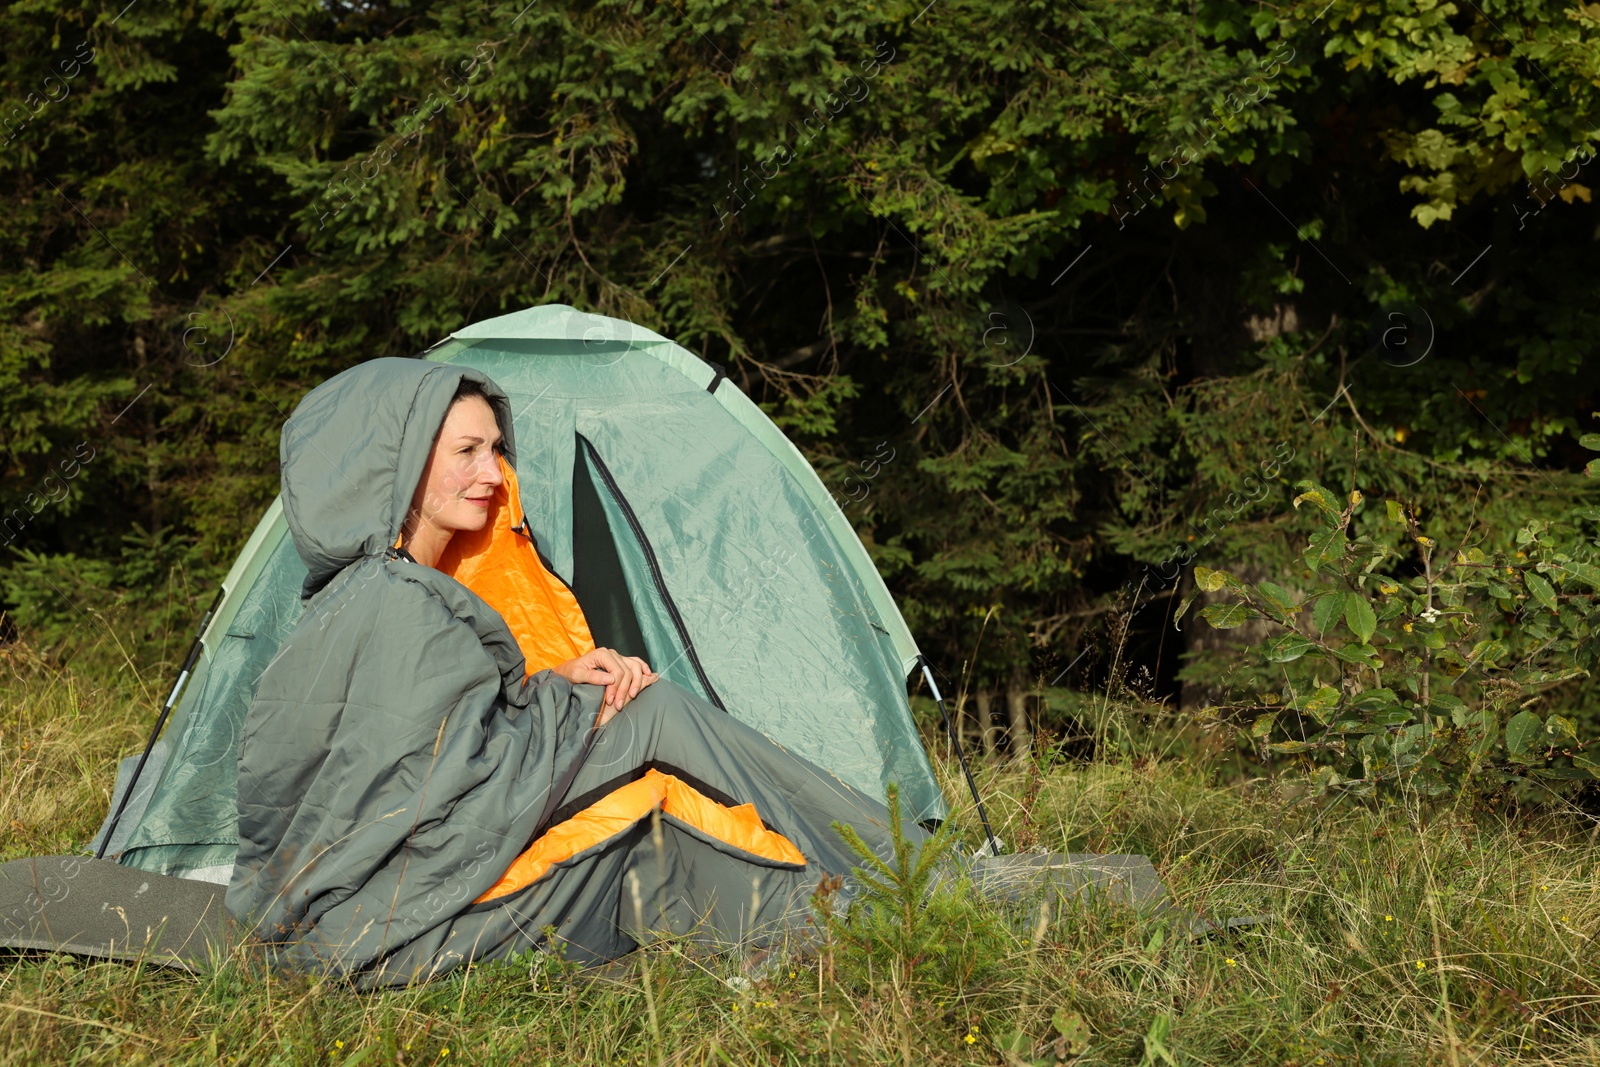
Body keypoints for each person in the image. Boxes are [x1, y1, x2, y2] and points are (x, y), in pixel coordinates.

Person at [227, 357, 920, 987]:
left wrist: (554, 686)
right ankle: (910, 875)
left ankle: (872, 892)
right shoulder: (397, 600)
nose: (495, 475)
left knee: (651, 765)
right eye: (466, 451)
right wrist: (572, 710)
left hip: (377, 914)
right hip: (400, 926)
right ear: (398, 462)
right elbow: (445, 796)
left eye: (495, 450)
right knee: (656, 711)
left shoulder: (374, 589)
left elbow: (429, 753)